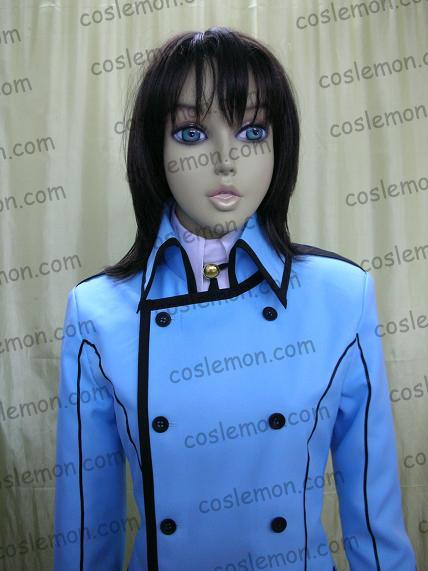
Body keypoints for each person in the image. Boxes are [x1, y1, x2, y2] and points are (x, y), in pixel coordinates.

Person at [53, 27, 417, 571]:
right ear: (155, 149)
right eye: (192, 133)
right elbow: (86, 532)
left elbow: (374, 512)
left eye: (252, 131)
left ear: (279, 144)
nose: (226, 159)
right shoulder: (98, 312)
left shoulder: (341, 296)